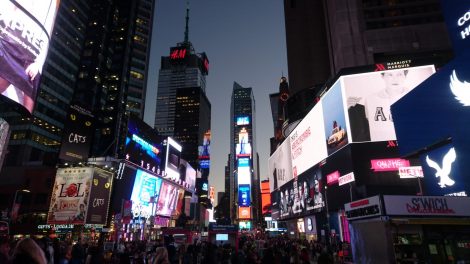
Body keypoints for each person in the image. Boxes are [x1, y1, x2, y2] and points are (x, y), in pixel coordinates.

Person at [0, 0, 59, 113]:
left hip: (31, 53)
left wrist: (38, 63)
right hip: (11, 43)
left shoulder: (51, 6)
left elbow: (48, 38)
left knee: (30, 100)